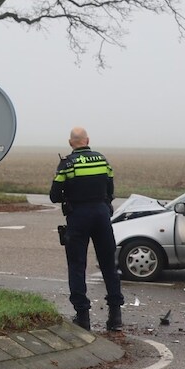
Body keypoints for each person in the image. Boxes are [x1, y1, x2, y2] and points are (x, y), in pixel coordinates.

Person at [50, 127, 124, 331]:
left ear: (70, 142)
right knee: (109, 264)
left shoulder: (67, 164)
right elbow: (110, 189)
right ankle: (115, 317)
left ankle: (83, 317)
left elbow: (54, 196)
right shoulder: (102, 159)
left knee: (77, 265)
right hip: (102, 214)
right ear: (87, 140)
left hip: (79, 216)